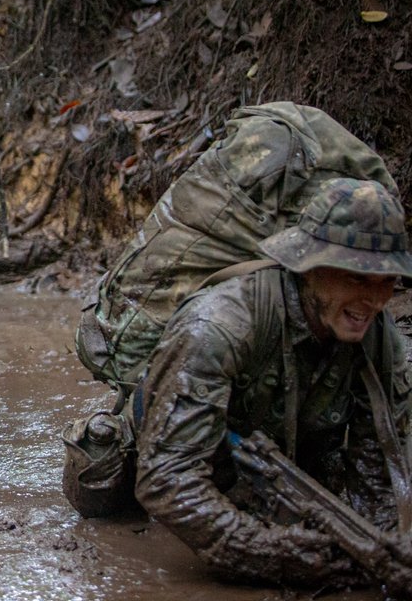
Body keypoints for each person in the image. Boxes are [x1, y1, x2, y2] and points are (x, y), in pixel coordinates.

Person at [134, 178, 412, 590]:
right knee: (103, 487)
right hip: (191, 450)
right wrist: (275, 554)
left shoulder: (380, 340)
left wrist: (382, 555)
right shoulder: (220, 325)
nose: (374, 300)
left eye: (386, 280)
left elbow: (377, 482)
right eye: (357, 278)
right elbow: (166, 478)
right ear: (310, 267)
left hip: (288, 459)